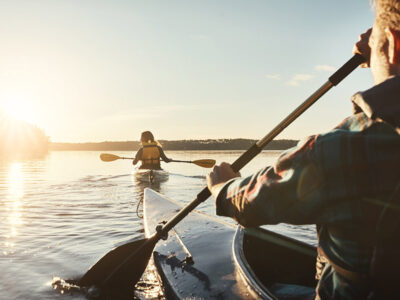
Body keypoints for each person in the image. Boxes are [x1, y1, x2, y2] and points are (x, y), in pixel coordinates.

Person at [207, 1, 400, 299]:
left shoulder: (341, 149)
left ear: (392, 43)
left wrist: (222, 186)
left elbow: (250, 204)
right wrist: (381, 49)